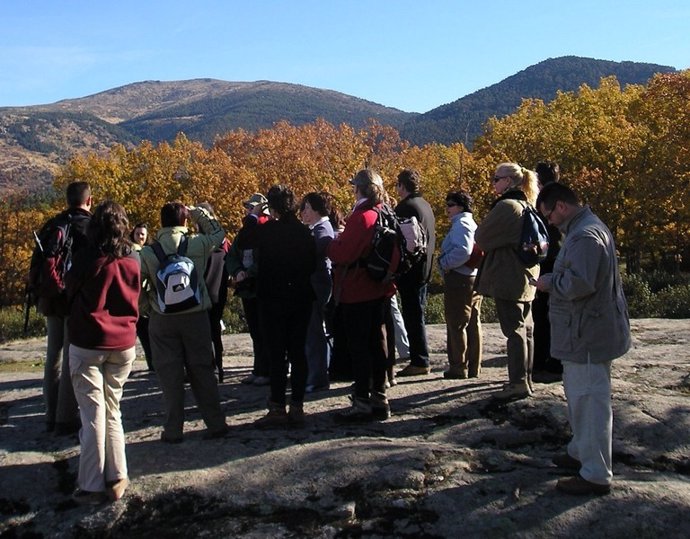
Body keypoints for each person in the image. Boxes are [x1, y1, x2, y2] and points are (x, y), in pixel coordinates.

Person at [535, 182, 631, 495]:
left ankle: (595, 474)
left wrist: (550, 282)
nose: (549, 221)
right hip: (585, 331)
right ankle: (580, 451)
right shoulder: (586, 229)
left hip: (587, 333)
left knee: (589, 401)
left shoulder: (586, 236)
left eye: (548, 214)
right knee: (580, 396)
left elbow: (581, 283)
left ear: (561, 206)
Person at [66, 201, 140, 504]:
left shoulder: (86, 259)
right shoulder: (133, 259)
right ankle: (117, 476)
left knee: (93, 414)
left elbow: (68, 290)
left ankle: (91, 484)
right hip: (123, 345)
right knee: (113, 410)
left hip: (87, 343)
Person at [139, 202, 228, 443]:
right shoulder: (197, 244)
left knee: (169, 375)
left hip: (162, 319)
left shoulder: (148, 253)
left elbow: (137, 286)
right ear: (185, 221)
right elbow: (219, 235)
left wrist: (147, 308)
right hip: (196, 315)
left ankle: (173, 429)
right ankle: (216, 423)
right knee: (202, 371)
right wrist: (200, 212)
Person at [235, 185, 316, 428]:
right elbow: (312, 265)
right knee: (298, 352)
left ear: (272, 207)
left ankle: (278, 406)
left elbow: (244, 240)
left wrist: (254, 213)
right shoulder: (304, 233)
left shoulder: (267, 230)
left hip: (272, 299)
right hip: (300, 297)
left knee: (277, 354)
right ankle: (298, 406)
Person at [327, 168, 396, 422]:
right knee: (378, 344)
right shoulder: (385, 212)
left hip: (358, 289)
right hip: (381, 287)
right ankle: (380, 398)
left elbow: (343, 254)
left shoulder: (361, 217)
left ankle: (362, 402)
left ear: (359, 189)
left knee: (359, 348)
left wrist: (332, 244)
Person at [29, 181, 92, 434]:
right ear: (89, 200)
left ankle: (50, 413)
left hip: (50, 298)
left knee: (53, 354)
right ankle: (65, 418)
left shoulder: (53, 224)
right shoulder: (88, 226)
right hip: (74, 299)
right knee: (71, 355)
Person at [475, 163, 539, 400]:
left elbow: (481, 237)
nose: (493, 183)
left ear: (509, 181)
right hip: (528, 275)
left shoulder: (506, 207)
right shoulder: (527, 204)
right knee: (527, 330)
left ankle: (518, 383)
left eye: (496, 178)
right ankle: (527, 378)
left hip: (509, 276)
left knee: (514, 331)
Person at [394, 169, 436, 377]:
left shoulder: (406, 207)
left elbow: (400, 240)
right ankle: (421, 357)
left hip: (411, 271)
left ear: (402, 186)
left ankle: (420, 360)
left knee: (412, 315)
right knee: (417, 313)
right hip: (426, 268)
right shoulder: (425, 205)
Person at [226, 194, 271, 386]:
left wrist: (250, 272)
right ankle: (257, 368)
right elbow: (232, 255)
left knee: (264, 330)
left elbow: (266, 258)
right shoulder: (244, 232)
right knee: (254, 329)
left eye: (251, 208)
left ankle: (267, 371)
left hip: (262, 286)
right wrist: (237, 271)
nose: (248, 211)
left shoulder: (267, 229)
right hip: (246, 287)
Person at [437, 191, 483, 379]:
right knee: (473, 322)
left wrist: (445, 263)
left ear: (461, 207)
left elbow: (464, 251)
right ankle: (474, 366)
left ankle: (458, 366)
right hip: (473, 277)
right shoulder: (471, 223)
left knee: (457, 322)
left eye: (450, 204)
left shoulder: (461, 224)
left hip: (460, 278)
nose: (447, 208)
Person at [300, 192, 336, 393]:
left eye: (306, 208)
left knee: (314, 332)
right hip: (317, 283)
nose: (303, 212)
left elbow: (320, 248)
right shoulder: (318, 228)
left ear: (315, 209)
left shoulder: (321, 229)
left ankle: (318, 377)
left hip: (317, 285)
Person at [532, 161, 564, 382]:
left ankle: (543, 363)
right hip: (563, 257)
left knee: (541, 315)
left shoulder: (543, 200)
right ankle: (558, 360)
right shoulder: (566, 196)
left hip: (546, 260)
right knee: (559, 313)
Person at [198, 203, 230, 383]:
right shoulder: (222, 241)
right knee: (215, 331)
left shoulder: (200, 243)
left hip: (205, 290)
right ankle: (219, 367)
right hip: (219, 289)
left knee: (203, 332)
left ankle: (210, 368)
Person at [130, 223, 154, 372]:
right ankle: (152, 364)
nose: (139, 237)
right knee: (145, 336)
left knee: (143, 337)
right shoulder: (139, 252)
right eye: (138, 233)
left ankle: (151, 363)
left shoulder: (144, 251)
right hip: (140, 302)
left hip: (141, 301)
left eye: (142, 234)